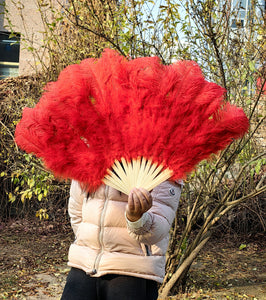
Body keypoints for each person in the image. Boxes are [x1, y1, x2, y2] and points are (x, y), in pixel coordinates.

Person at [61, 179, 182, 300]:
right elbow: (76, 213)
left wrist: (136, 219)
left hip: (132, 273)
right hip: (83, 267)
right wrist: (87, 243)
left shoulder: (164, 166)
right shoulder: (85, 160)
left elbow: (157, 231)